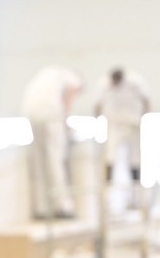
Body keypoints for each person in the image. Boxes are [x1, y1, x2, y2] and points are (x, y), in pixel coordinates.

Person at [20, 66, 84, 220]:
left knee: (39, 162)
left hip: (30, 112)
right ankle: (63, 206)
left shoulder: (50, 74)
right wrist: (66, 123)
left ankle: (41, 207)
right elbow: (68, 101)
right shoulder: (73, 79)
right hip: (50, 113)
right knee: (56, 159)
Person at [94, 67, 151, 209]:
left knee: (135, 160)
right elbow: (98, 105)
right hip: (114, 125)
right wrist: (97, 120)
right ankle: (107, 197)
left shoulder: (136, 82)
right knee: (110, 158)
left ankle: (137, 197)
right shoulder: (103, 84)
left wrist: (143, 117)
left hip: (132, 124)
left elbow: (147, 101)